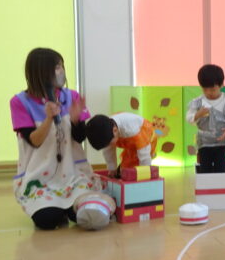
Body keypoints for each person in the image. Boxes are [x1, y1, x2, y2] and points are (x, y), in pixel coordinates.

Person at [10, 48, 113, 230]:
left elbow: (79, 138)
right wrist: (48, 119)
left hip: (72, 174)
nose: (61, 71)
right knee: (47, 220)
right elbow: (34, 141)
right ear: (41, 72)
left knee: (84, 212)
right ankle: (58, 208)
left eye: (61, 66)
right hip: (40, 176)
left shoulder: (71, 96)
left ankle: (72, 207)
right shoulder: (20, 102)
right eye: (57, 67)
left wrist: (75, 120)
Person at [186, 64, 225, 173]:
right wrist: (197, 115)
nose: (209, 93)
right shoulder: (197, 102)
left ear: (221, 85)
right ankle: (206, 183)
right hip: (204, 142)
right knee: (205, 168)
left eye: (213, 89)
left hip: (222, 142)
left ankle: (219, 183)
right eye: (205, 90)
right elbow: (189, 117)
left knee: (220, 167)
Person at [85, 113, 156, 177]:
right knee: (125, 168)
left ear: (115, 130)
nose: (108, 146)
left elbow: (144, 154)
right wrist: (112, 168)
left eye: (109, 143)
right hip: (129, 139)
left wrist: (145, 172)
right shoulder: (107, 130)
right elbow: (108, 151)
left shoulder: (132, 130)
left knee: (136, 165)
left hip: (146, 137)